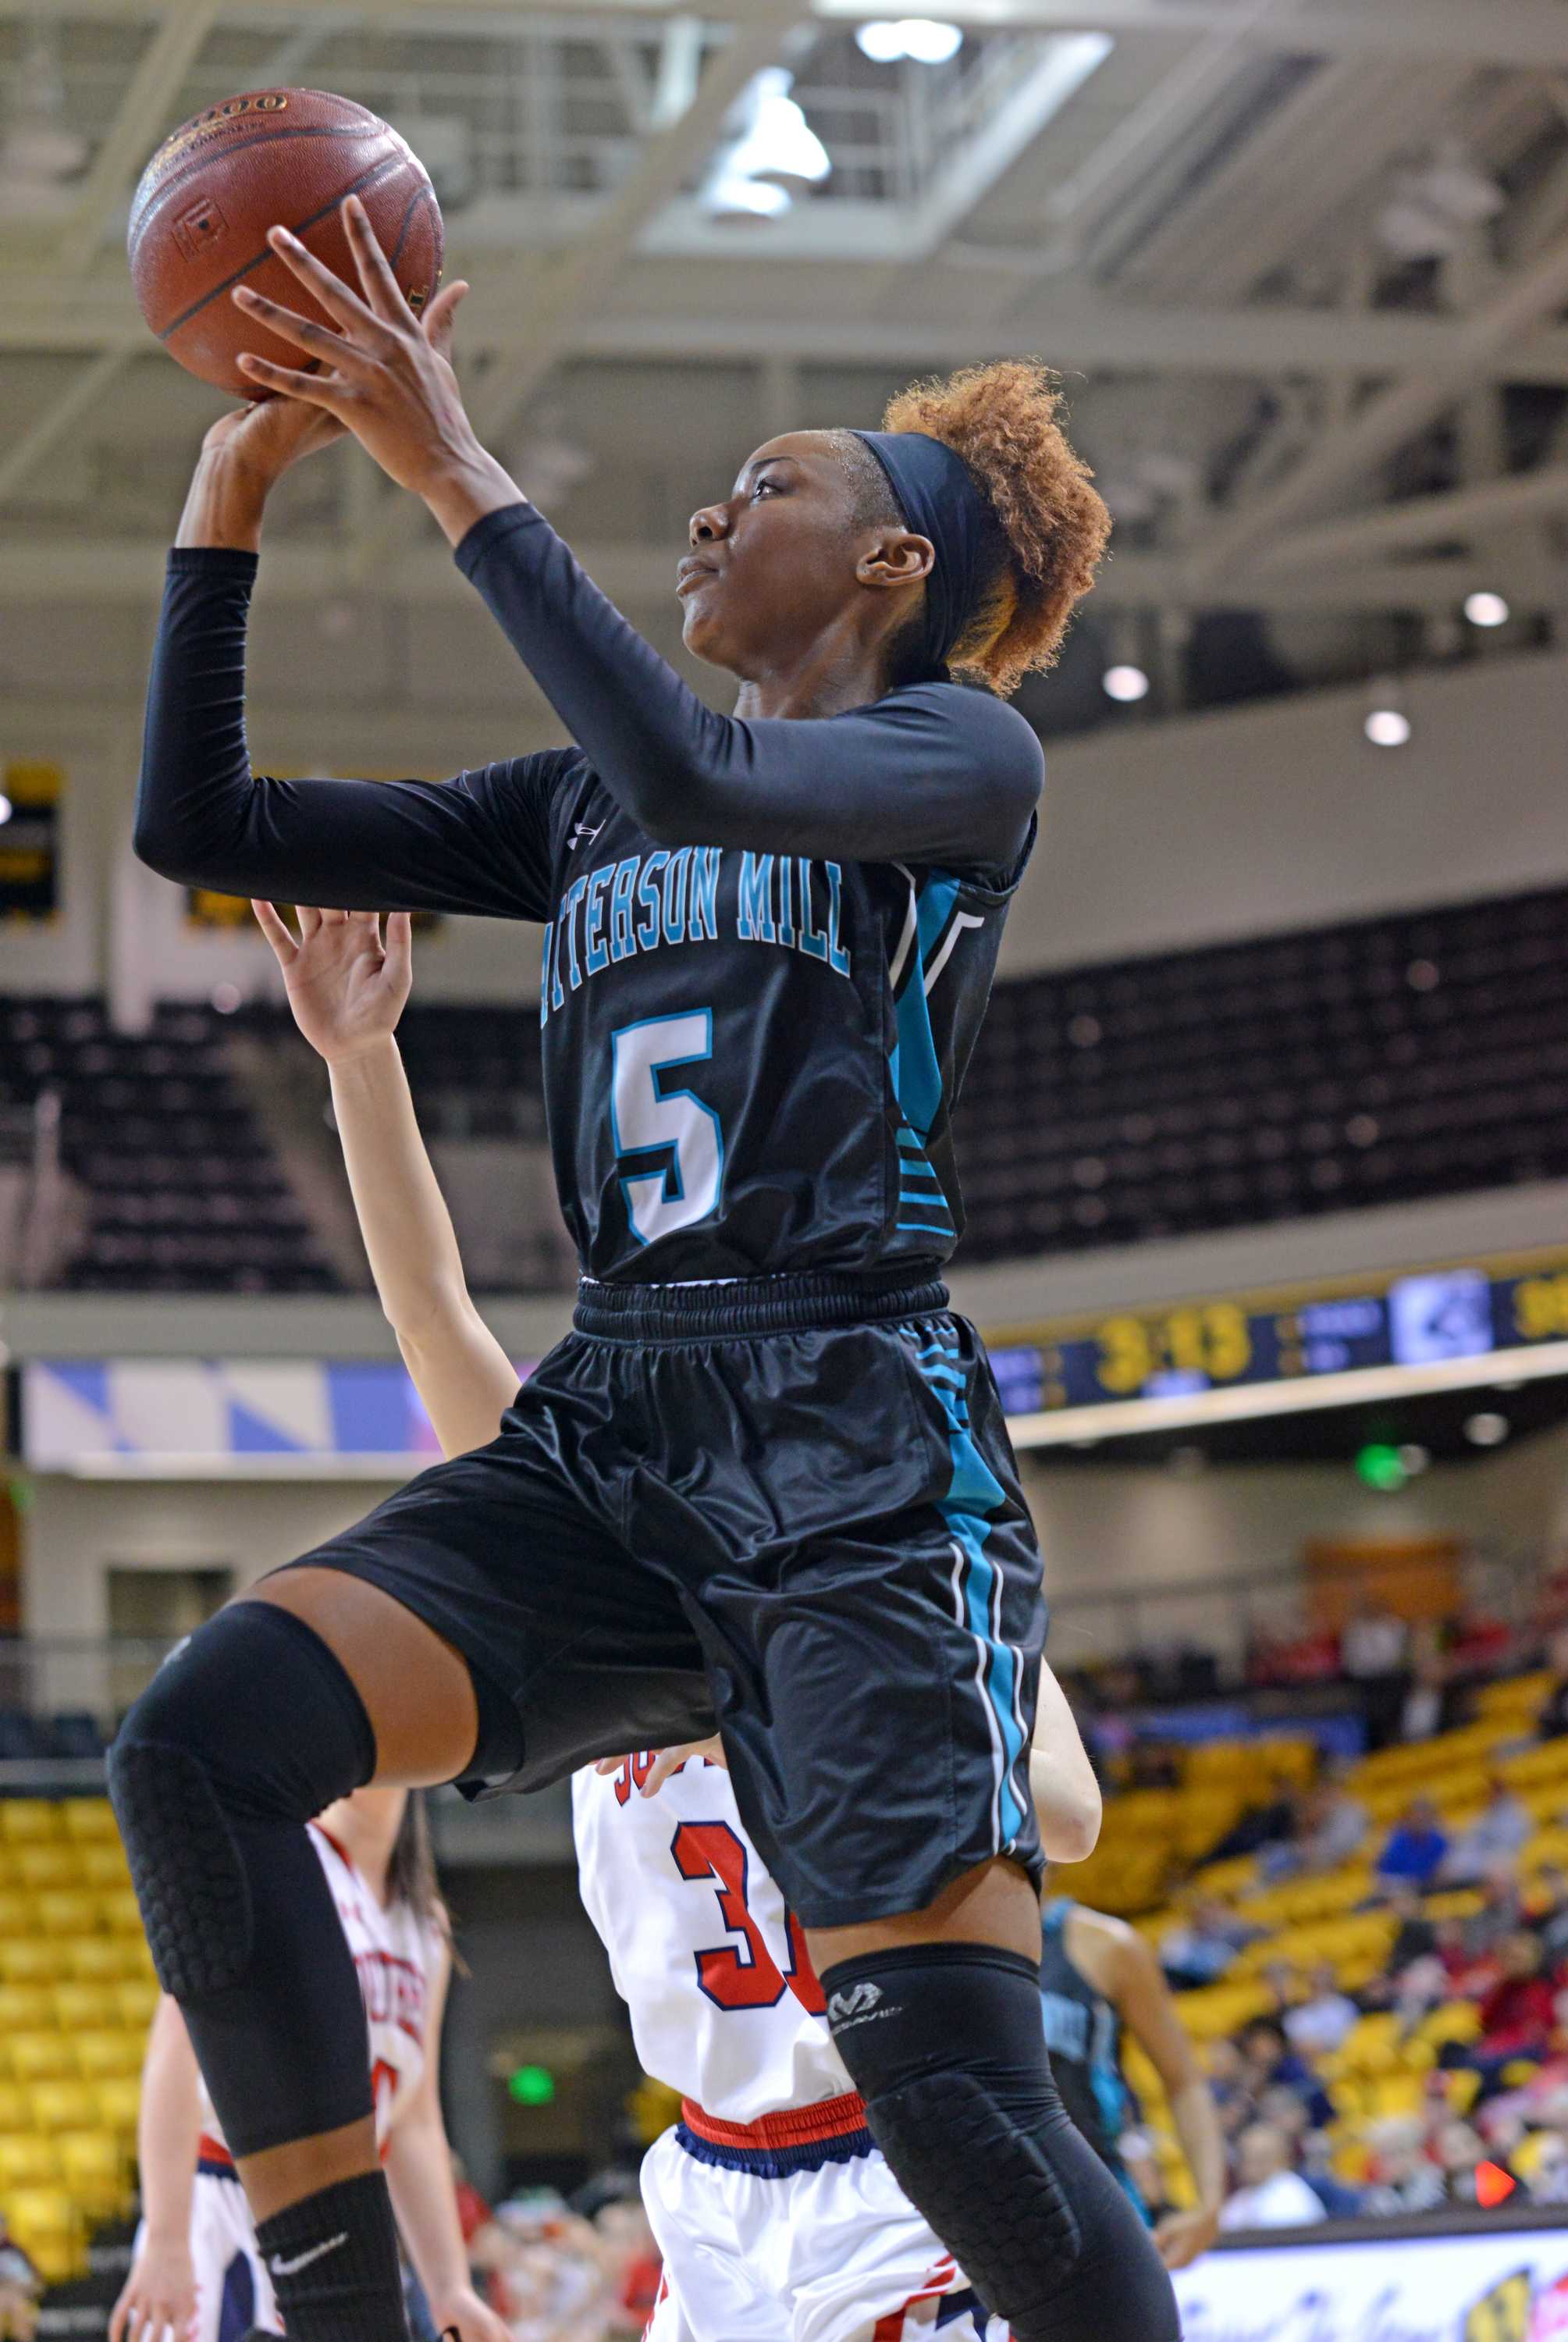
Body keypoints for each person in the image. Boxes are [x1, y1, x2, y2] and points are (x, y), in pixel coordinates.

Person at [111, 201, 1172, 2342]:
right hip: (618, 1428)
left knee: (956, 2101)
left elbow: (709, 767)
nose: (712, 504)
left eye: (771, 481)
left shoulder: (963, 757)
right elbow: (196, 820)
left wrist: (451, 467)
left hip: (851, 1436)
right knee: (197, 1745)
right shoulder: (580, 810)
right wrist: (224, 503)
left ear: (896, 568)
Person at [245, 897, 1140, 2340]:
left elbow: (1073, 1816)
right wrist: (358, 1059)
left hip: (900, 2156)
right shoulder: (594, 1561)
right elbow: (432, 1322)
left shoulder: (919, 1549)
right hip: (712, 2192)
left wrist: (826, 1696)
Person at [110, 1787, 505, 2342]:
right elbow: (175, 2053)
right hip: (227, 2199)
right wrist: (169, 2238)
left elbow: (412, 2119)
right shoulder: (271, 1860)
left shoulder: (425, 1924)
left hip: (347, 2226)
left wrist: (449, 2287)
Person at [1036, 1894, 1227, 2268]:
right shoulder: (944, 1938)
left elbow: (1184, 2080)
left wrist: (1210, 2204)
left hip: (1095, 2202)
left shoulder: (1106, 1945)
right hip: (976, 2210)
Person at [1217, 2123, 1327, 2231]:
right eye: (1244, 2156)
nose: (1248, 2165)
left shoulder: (1289, 2198)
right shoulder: (1244, 2195)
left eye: (1260, 2158)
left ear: (1281, 2158)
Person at [1442, 1777, 1533, 1884]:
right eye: (1489, 1792)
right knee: (1452, 1864)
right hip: (1481, 1856)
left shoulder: (1517, 1812)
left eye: (1495, 1791)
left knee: (1498, 1866)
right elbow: (1470, 1837)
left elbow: (1516, 1839)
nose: (1490, 1795)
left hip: (1504, 1854)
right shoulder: (1485, 1814)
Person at [1281, 1962, 1359, 2059]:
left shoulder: (1345, 2007)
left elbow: (1353, 2038)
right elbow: (1301, 2047)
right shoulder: (1295, 2015)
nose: (1320, 1985)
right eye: (1315, 1983)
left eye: (1325, 1982)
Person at [1374, 1797, 1450, 1892]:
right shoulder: (1396, 1842)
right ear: (1408, 1818)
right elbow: (1382, 1877)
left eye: (1426, 1816)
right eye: (1417, 1816)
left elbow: (1447, 1870)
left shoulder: (1439, 1840)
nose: (1421, 1820)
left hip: (1431, 1891)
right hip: (1400, 1891)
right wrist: (1411, 1883)